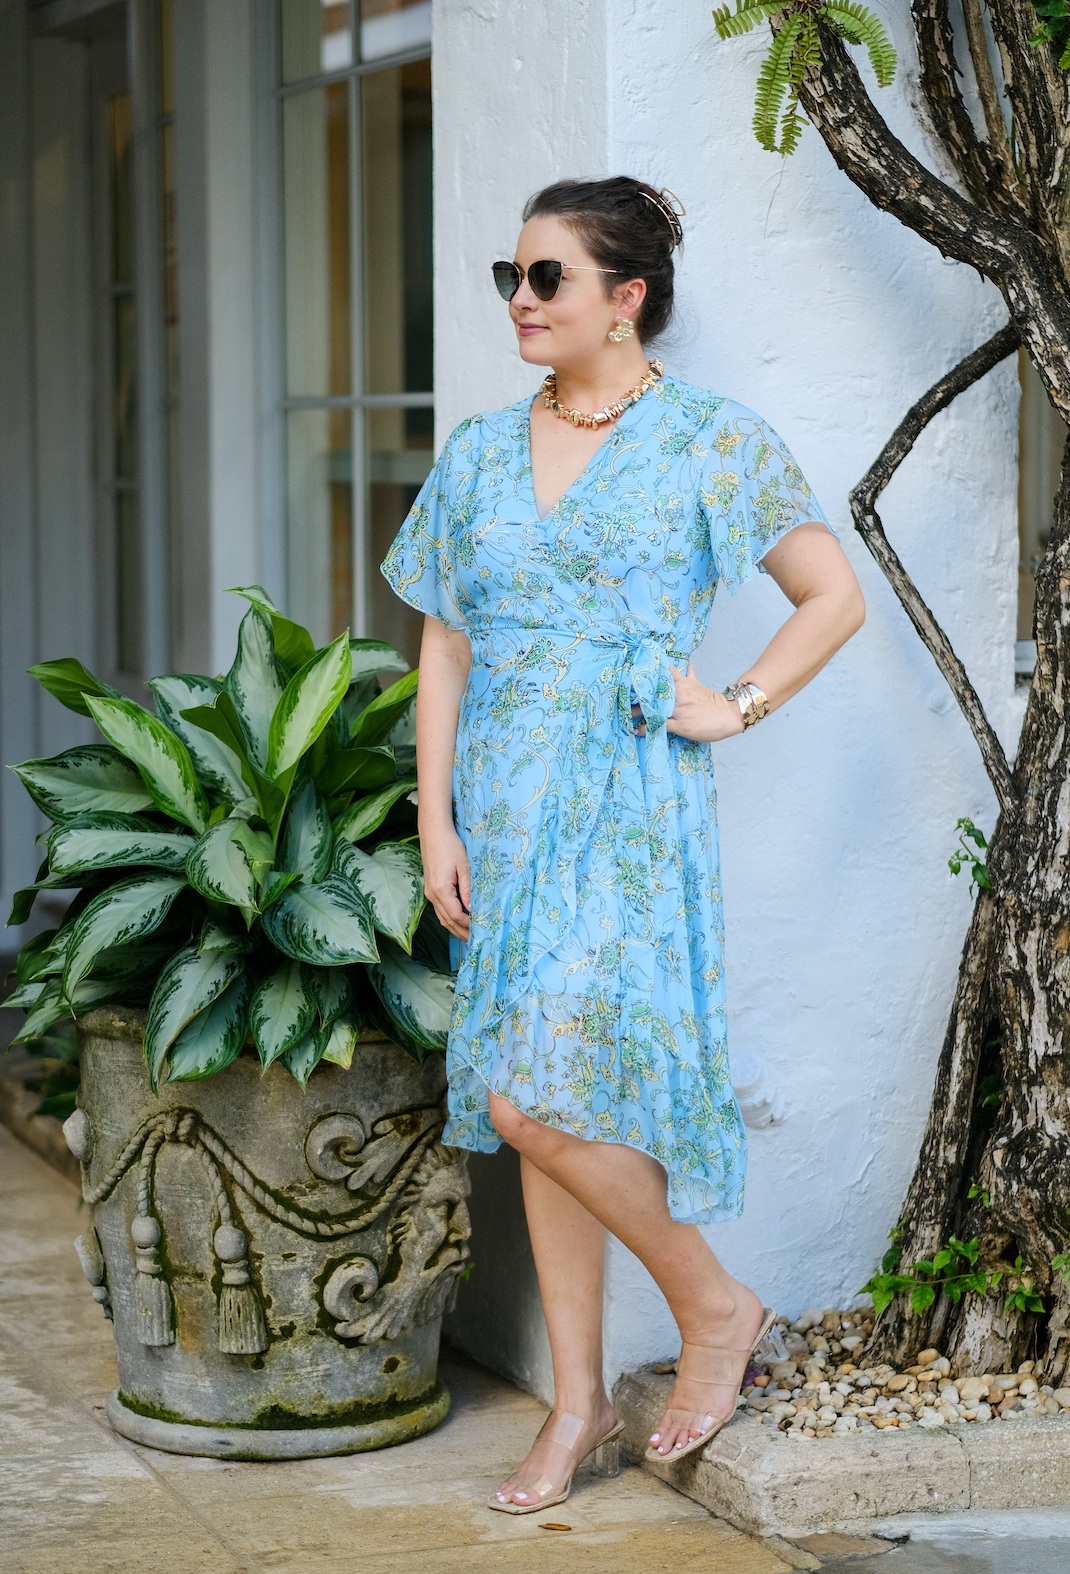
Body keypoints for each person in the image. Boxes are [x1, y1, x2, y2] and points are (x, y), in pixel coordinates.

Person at [381, 176, 864, 1513]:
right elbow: (445, 643)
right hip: (504, 815)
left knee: (531, 1102)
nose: (521, 301)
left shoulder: (712, 439)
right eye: (513, 277)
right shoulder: (481, 450)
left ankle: (712, 1304)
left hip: (627, 813)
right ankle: (579, 1400)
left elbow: (831, 596)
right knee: (550, 1102)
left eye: (547, 278)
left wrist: (735, 702)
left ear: (625, 296)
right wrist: (434, 817)